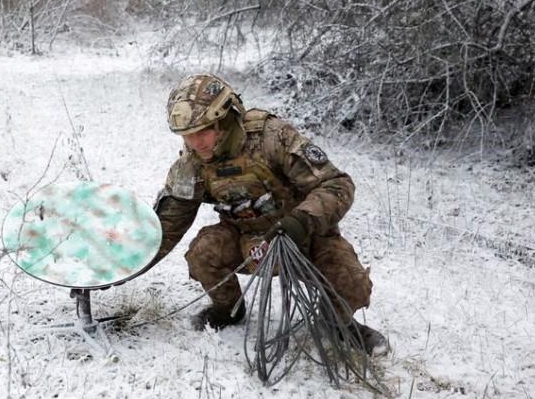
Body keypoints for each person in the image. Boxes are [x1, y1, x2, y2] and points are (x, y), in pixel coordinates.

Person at [149, 73, 388, 355]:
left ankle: (338, 324)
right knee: (203, 252)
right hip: (246, 241)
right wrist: (120, 268)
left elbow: (337, 184)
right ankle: (228, 311)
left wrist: (301, 221)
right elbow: (168, 223)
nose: (195, 143)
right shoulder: (192, 162)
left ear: (224, 119)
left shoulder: (272, 138)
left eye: (203, 131)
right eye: (187, 136)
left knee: (351, 282)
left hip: (304, 236)